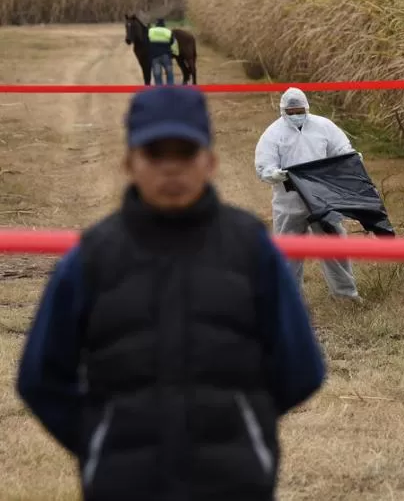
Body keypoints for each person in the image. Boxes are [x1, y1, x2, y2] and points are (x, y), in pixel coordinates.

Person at [16, 86, 325, 501]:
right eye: (155, 154)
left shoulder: (251, 251)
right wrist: (100, 442)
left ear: (210, 162)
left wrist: (245, 424)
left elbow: (302, 368)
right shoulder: (91, 259)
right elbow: (40, 377)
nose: (171, 169)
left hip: (235, 484)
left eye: (185, 153)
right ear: (129, 163)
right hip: (122, 486)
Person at [254, 87, 363, 303]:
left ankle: (345, 295)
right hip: (289, 203)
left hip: (322, 200)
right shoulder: (273, 134)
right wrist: (274, 174)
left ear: (307, 108)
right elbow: (263, 165)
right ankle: (289, 300)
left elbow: (341, 149)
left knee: (334, 247)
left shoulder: (324, 127)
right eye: (291, 112)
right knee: (289, 252)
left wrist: (351, 158)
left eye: (299, 110)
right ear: (283, 111)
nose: (296, 115)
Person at [147, 18, 179, 86]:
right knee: (169, 73)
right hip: (166, 56)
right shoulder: (168, 31)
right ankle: (170, 91)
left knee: (157, 75)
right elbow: (172, 42)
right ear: (164, 24)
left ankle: (160, 92)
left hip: (154, 56)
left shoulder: (150, 31)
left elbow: (147, 42)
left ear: (156, 24)